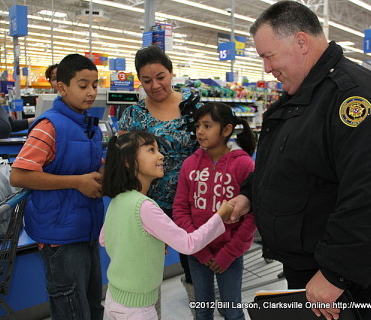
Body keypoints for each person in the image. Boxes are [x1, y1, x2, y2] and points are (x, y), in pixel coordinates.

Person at [228, 2, 371, 320]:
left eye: (268, 56)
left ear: (300, 42)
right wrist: (249, 194)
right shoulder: (304, 93)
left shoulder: (355, 100)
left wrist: (335, 274)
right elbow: (286, 160)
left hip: (341, 273)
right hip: (310, 260)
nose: (267, 69)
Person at [100, 130, 234, 320]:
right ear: (128, 162)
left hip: (114, 299)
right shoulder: (144, 206)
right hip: (138, 309)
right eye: (151, 150)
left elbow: (104, 239)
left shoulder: (118, 200)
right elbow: (188, 244)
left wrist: (147, 242)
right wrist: (220, 216)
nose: (161, 155)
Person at [10, 54, 104, 320]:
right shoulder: (49, 127)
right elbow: (18, 175)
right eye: (83, 85)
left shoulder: (88, 125)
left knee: (92, 305)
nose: (91, 92)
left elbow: (84, 164)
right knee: (72, 310)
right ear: (61, 88)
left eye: (95, 85)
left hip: (86, 230)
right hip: (59, 237)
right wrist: (77, 182)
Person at [118, 44, 202, 315]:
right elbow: (123, 163)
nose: (154, 85)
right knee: (147, 271)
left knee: (196, 266)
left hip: (191, 202)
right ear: (139, 80)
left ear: (171, 73)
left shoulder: (193, 108)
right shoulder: (133, 115)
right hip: (147, 207)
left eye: (161, 77)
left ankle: (201, 309)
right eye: (146, 80)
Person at [173, 103, 256, 320]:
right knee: (202, 310)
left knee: (232, 310)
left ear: (227, 130)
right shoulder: (190, 165)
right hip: (197, 254)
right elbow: (180, 209)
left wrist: (228, 253)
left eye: (207, 125)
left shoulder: (244, 165)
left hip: (230, 254)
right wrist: (199, 249)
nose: (200, 131)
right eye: (198, 125)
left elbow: (252, 215)